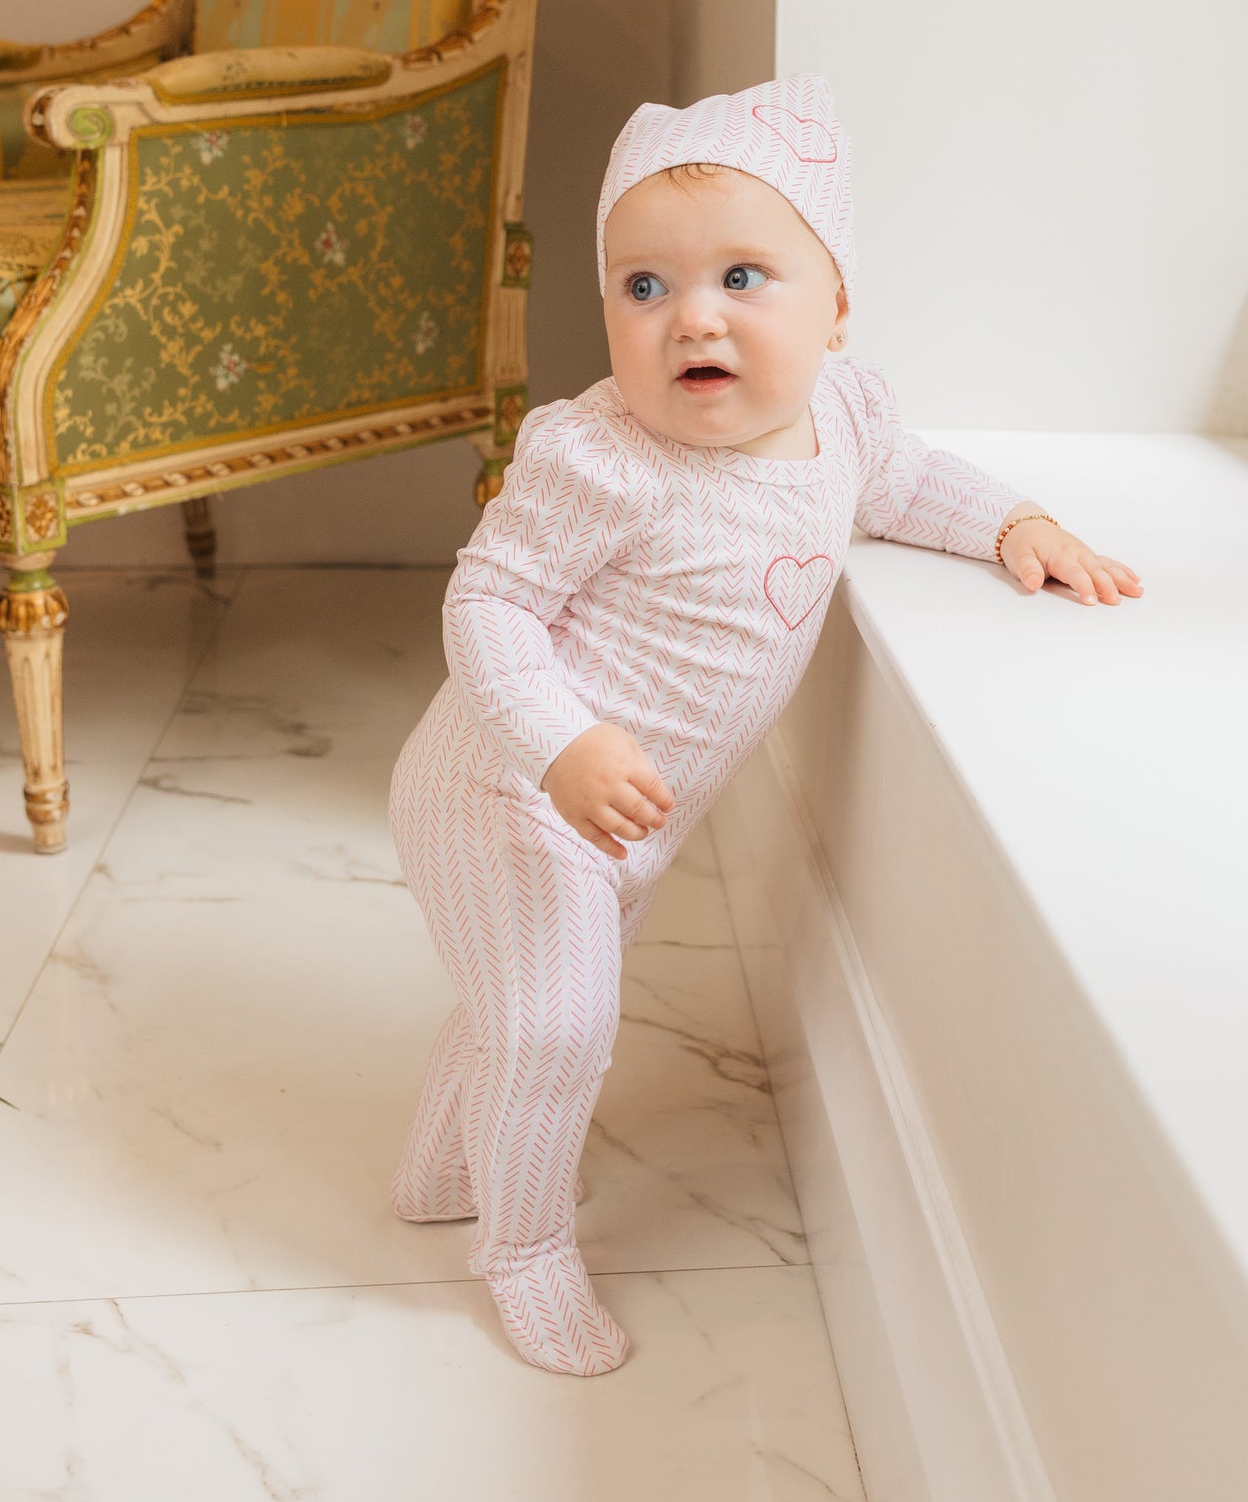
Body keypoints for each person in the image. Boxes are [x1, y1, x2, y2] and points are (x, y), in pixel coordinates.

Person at [388, 75, 1141, 1375]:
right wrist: (560, 744)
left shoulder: (843, 417)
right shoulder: (598, 457)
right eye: (643, 286)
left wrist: (1014, 522)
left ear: (836, 306)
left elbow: (910, 483)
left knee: (522, 1000)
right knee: (554, 1024)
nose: (693, 316)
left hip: (619, 814)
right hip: (505, 787)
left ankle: (439, 1173)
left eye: (743, 278)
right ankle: (523, 1249)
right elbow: (487, 604)